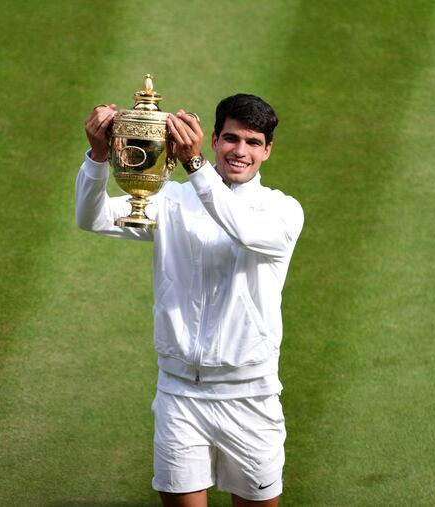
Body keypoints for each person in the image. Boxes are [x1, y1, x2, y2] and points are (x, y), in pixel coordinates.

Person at [76, 93, 304, 507]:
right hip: (179, 394)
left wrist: (196, 167)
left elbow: (243, 231)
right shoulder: (171, 201)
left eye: (253, 142)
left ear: (268, 150)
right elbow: (91, 218)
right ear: (215, 139)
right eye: (232, 139)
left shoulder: (282, 212)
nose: (240, 151)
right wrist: (96, 157)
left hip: (250, 397)